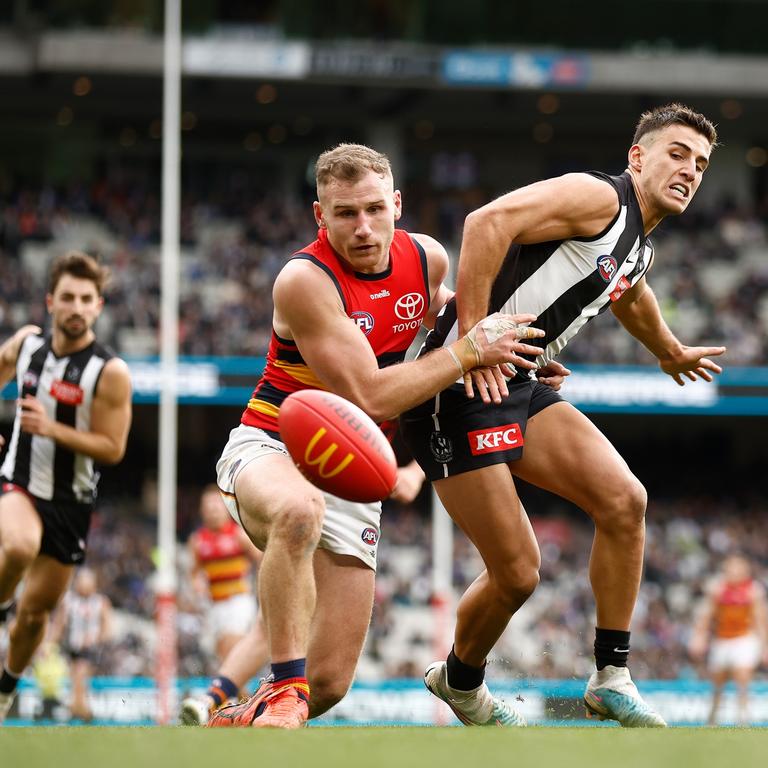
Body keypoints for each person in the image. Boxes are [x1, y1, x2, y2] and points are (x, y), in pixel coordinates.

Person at [400, 103, 725, 728]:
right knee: (519, 574)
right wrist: (473, 343)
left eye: (702, 164)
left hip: (519, 381)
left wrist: (670, 351)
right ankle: (460, 681)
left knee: (625, 502)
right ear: (637, 157)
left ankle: (611, 676)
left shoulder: (639, 244)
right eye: (677, 153)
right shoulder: (597, 196)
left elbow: (631, 294)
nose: (690, 170)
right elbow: (486, 221)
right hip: (456, 385)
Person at [204, 143, 546, 729]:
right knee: (297, 510)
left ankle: (235, 722)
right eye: (344, 214)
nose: (362, 228)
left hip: (350, 472)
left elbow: (442, 326)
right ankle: (282, 686)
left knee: (330, 686)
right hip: (272, 445)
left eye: (373, 210)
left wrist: (508, 358)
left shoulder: (428, 258)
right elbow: (371, 395)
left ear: (396, 205)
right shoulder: (304, 281)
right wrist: (471, 351)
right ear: (319, 215)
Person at [0, 250, 132, 724]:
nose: (77, 307)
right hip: (19, 482)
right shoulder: (26, 345)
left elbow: (113, 448)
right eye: (68, 298)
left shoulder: (109, 372)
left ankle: (5, 688)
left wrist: (53, 429)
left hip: (72, 505)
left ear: (99, 306)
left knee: (34, 617)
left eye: (87, 299)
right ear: (49, 301)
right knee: (16, 546)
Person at [180, 484, 268, 724]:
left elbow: (263, 560)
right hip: (215, 606)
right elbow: (194, 572)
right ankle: (248, 709)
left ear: (225, 508)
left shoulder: (239, 534)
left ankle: (231, 707)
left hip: (239, 602)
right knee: (225, 660)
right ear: (202, 511)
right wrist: (197, 582)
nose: (213, 511)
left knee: (230, 653)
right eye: (208, 507)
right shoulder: (198, 541)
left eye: (216, 506)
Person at [689, 554, 768, 726]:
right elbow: (706, 615)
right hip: (722, 640)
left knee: (742, 677)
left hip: (744, 639)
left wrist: (764, 647)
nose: (732, 572)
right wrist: (699, 637)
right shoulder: (717, 589)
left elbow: (760, 619)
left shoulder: (752, 590)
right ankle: (712, 718)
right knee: (718, 681)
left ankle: (743, 718)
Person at [50, 566, 112, 722]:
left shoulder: (101, 602)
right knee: (75, 678)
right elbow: (59, 624)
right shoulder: (68, 600)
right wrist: (49, 643)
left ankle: (80, 709)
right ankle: (81, 710)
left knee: (80, 674)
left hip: (91, 649)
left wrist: (95, 638)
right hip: (71, 647)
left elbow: (107, 629)